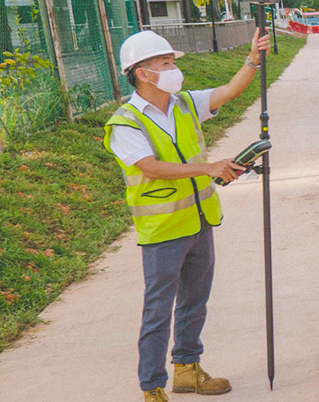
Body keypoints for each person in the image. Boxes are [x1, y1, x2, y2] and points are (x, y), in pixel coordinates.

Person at [103, 28, 270, 402]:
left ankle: (187, 369)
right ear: (142, 73)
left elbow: (228, 92)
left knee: (195, 300)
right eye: (165, 63)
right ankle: (152, 386)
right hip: (163, 228)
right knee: (159, 309)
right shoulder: (125, 122)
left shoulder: (182, 103)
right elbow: (151, 167)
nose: (174, 68)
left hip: (200, 220)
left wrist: (252, 60)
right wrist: (210, 168)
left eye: (172, 62)